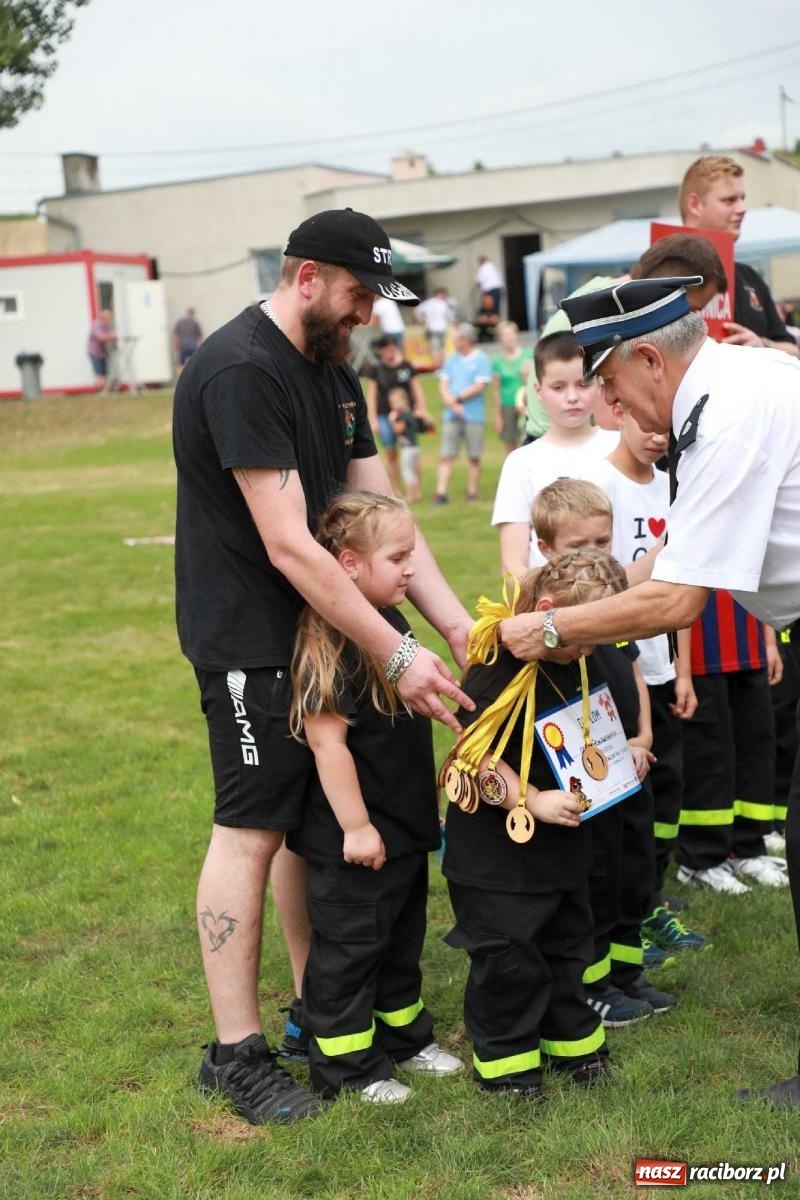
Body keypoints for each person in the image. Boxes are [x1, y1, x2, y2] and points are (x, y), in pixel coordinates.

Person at [173, 206, 474, 1126]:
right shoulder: (239, 369)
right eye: (354, 297)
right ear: (306, 277)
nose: (365, 317)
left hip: (329, 634)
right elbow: (292, 545)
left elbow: (383, 519)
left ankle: (324, 1018)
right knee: (253, 828)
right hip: (251, 641)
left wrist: (461, 631)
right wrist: (402, 650)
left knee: (314, 830)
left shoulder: (333, 371)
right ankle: (235, 1054)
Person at [496, 273, 800, 1110]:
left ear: (645, 359)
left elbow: (676, 600)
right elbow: (667, 565)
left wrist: (547, 630)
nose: (614, 412)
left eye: (613, 389)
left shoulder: (730, 416)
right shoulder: (730, 388)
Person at [285, 490, 464, 1102]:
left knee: (400, 942)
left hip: (405, 828)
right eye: (397, 557)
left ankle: (405, 1039)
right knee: (349, 955)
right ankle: (345, 1068)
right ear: (348, 566)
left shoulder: (392, 623)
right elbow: (328, 745)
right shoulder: (330, 639)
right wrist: (357, 828)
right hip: (355, 841)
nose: (412, 568)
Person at [442, 548, 630, 1100]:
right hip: (498, 860)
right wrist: (532, 798)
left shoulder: (573, 659)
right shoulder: (499, 668)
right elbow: (470, 758)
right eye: (582, 634)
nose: (590, 647)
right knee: (510, 960)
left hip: (561, 851)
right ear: (547, 612)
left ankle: (572, 1043)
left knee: (567, 946)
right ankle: (507, 1066)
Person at [533, 480, 677, 1027]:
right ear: (545, 549)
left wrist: (641, 737)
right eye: (578, 546)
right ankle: (591, 985)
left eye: (603, 540)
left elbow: (634, 670)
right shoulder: (552, 619)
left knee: (629, 870)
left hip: (627, 765)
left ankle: (625, 972)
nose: (594, 554)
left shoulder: (611, 602)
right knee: (593, 876)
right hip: (586, 780)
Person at [491, 331, 618, 579]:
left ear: (598, 382)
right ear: (538, 390)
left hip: (620, 600)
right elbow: (513, 563)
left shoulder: (620, 446)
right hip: (551, 607)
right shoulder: (521, 463)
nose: (572, 397)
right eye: (558, 387)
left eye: (583, 384)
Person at [679, 155, 799, 358]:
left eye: (742, 198)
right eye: (729, 200)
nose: (742, 209)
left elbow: (793, 350)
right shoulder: (660, 276)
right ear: (695, 205)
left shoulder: (748, 276)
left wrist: (763, 344)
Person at [433, 323, 491, 505]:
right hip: (452, 414)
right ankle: (441, 492)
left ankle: (472, 492)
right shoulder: (451, 360)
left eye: (458, 337)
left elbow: (479, 385)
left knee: (474, 455)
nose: (455, 341)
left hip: (473, 415)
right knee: (447, 453)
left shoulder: (481, 359)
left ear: (466, 339)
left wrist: (457, 399)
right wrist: (451, 402)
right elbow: (443, 383)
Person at [365, 336, 429, 496]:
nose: (390, 351)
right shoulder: (377, 370)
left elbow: (416, 389)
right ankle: (396, 490)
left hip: (406, 415)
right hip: (385, 415)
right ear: (380, 351)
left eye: (393, 347)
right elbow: (371, 395)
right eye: (386, 348)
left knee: (411, 450)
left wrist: (422, 409)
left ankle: (416, 489)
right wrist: (373, 419)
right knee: (391, 452)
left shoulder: (406, 367)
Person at [491, 321, 533, 456]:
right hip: (507, 404)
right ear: (500, 339)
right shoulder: (497, 361)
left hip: (527, 403)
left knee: (528, 438)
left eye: (511, 334)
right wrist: (498, 415)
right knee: (510, 441)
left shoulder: (529, 354)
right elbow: (496, 389)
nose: (509, 338)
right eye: (505, 335)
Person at [387, 386, 434, 504]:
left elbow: (398, 430)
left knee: (407, 471)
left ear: (405, 401)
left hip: (408, 448)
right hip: (415, 447)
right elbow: (421, 429)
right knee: (412, 470)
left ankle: (411, 495)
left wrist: (392, 421)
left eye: (397, 401)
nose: (394, 404)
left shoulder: (402, 416)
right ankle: (416, 494)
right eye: (392, 402)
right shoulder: (411, 414)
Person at [415, 287, 451, 368]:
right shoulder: (443, 304)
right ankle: (443, 365)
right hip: (441, 328)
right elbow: (449, 316)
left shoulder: (428, 303)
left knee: (435, 348)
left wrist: (422, 320)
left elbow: (417, 311)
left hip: (431, 328)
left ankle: (438, 365)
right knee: (441, 348)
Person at [87, 308, 116, 390]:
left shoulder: (107, 326)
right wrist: (111, 336)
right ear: (103, 317)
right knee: (99, 374)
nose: (110, 319)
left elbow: (111, 335)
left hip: (103, 352)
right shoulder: (96, 325)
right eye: (109, 317)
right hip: (95, 352)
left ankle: (103, 390)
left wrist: (111, 336)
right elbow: (100, 337)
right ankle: (98, 390)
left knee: (104, 373)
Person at [173, 308, 203, 373]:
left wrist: (176, 345)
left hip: (184, 346)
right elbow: (199, 337)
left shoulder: (180, 322)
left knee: (181, 364)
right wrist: (200, 347)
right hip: (192, 347)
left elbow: (176, 335)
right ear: (193, 314)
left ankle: (180, 378)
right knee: (193, 364)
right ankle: (192, 377)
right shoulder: (195, 323)